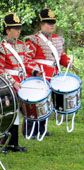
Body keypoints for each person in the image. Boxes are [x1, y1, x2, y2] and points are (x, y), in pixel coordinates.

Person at [0, 12, 41, 153]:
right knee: (7, 115)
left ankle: (14, 144)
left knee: (17, 115)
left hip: (21, 84)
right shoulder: (1, 48)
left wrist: (35, 71)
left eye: (19, 27)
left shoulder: (22, 45)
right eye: (15, 28)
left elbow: (26, 62)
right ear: (8, 30)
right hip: (8, 85)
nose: (19, 30)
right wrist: (12, 82)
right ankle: (2, 144)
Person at [23, 8, 72, 138]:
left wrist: (67, 62)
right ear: (41, 24)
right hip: (39, 76)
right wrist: (35, 71)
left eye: (53, 22)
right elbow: (27, 59)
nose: (51, 25)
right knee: (34, 104)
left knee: (47, 103)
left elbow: (61, 57)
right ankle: (29, 130)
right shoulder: (33, 40)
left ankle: (41, 129)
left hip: (53, 76)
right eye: (48, 23)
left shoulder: (58, 39)